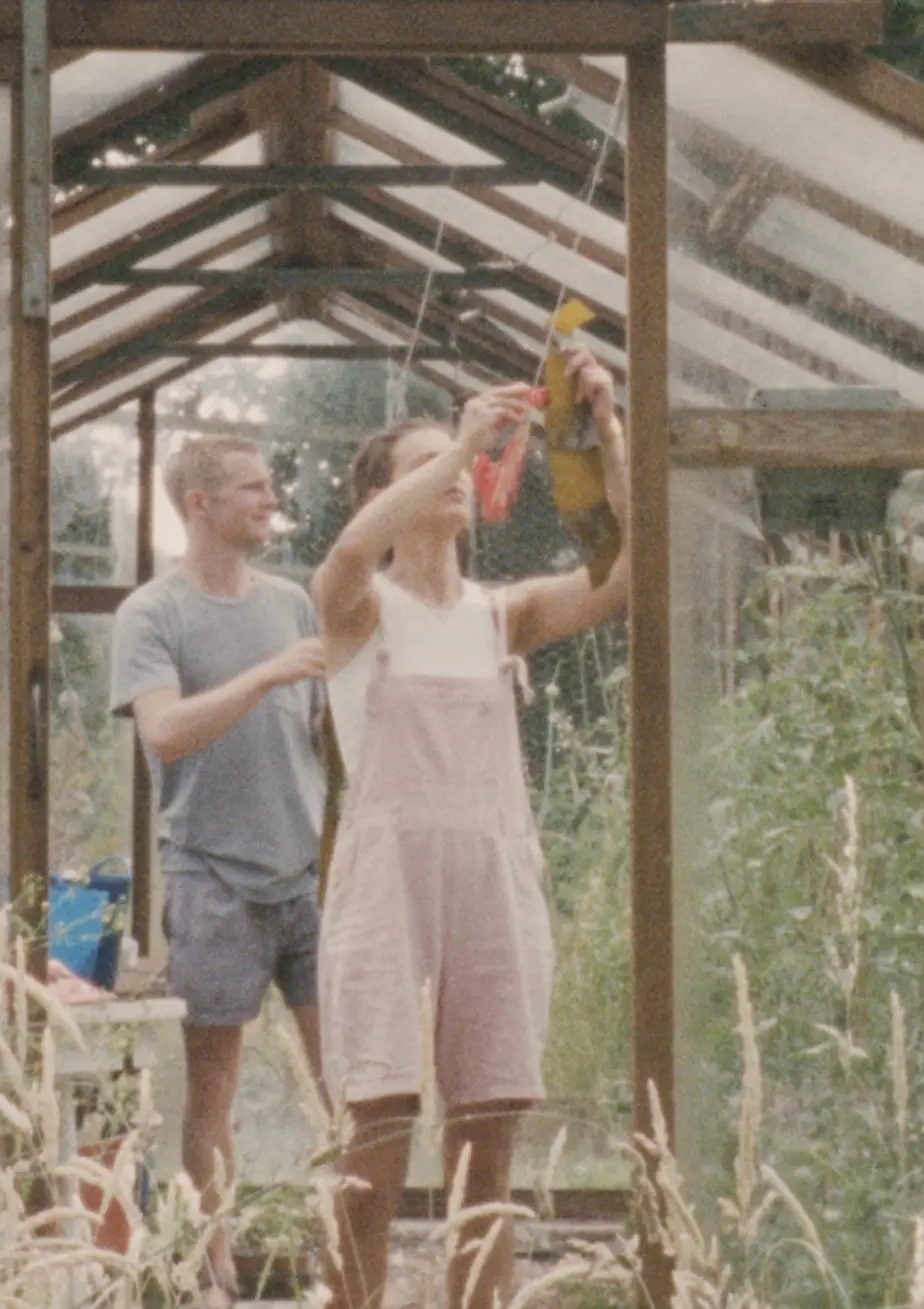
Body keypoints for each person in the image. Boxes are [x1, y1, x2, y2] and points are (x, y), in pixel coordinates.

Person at [313, 349, 630, 1309]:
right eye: (424, 466)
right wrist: (456, 445)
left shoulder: (504, 615)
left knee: (483, 1158)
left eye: (463, 462)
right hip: (386, 890)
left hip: (491, 882)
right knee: (370, 1153)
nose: (457, 474)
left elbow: (625, 569)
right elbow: (337, 559)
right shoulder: (360, 611)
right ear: (385, 494)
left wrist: (603, 428)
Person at [109, 435, 327, 1306]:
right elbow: (162, 731)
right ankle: (216, 1275)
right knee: (213, 1090)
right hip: (212, 883)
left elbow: (316, 734)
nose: (269, 499)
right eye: (251, 487)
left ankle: (348, 1259)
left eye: (268, 485)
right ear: (199, 503)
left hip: (305, 878)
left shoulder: (294, 601)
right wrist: (266, 673)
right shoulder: (152, 613)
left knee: (348, 1078)